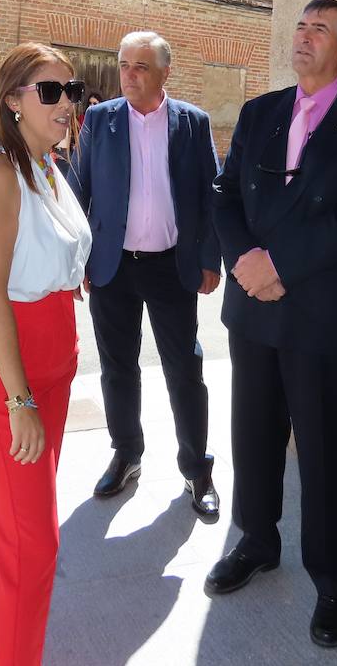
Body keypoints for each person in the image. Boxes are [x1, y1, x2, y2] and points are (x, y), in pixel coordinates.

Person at [208, 0, 337, 650]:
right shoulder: (261, 111)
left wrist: (279, 266)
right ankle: (257, 540)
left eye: (319, 28)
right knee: (254, 433)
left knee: (324, 450)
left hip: (321, 314)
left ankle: (333, 581)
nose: (303, 35)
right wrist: (244, 261)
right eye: (300, 24)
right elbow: (225, 193)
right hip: (253, 305)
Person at [0, 43, 90, 666]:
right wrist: (20, 399)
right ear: (13, 100)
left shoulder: (47, 166)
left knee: (12, 526)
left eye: (72, 91)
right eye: (49, 92)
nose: (66, 104)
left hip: (48, 363)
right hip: (4, 371)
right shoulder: (0, 172)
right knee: (35, 541)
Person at [68, 31, 221, 518]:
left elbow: (210, 193)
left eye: (140, 66)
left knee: (185, 369)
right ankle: (127, 453)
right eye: (124, 65)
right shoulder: (99, 118)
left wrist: (209, 259)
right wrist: (77, 260)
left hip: (171, 266)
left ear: (164, 73)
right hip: (113, 267)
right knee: (118, 368)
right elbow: (79, 188)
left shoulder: (193, 123)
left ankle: (197, 469)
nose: (129, 75)